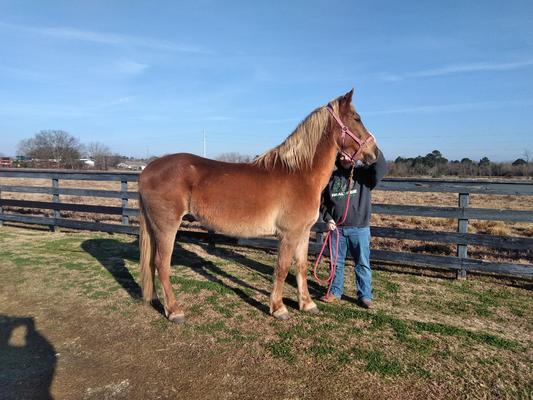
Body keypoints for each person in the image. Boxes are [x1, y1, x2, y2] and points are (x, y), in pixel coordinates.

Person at [319, 148, 387, 308]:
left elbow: (381, 168)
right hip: (337, 230)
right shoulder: (331, 178)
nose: (344, 158)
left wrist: (373, 148)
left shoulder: (364, 175)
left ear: (354, 156)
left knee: (362, 263)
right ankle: (335, 291)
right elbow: (323, 203)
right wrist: (328, 219)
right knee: (336, 263)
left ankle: (365, 295)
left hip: (360, 229)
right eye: (341, 155)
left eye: (347, 155)